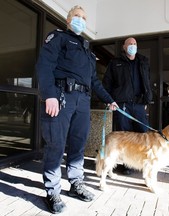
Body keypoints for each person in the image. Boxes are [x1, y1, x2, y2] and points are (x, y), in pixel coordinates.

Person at [35, 5, 118, 214]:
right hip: (62, 96)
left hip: (83, 101)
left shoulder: (88, 52)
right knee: (56, 144)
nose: (81, 19)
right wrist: (50, 95)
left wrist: (109, 100)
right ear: (68, 20)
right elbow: (44, 65)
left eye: (84, 17)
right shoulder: (59, 37)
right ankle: (53, 191)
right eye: (77, 16)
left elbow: (94, 81)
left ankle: (75, 184)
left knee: (78, 145)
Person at [102, 37, 153, 174]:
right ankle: (127, 165)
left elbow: (147, 82)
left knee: (143, 134)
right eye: (130, 43)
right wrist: (109, 100)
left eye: (135, 43)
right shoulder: (115, 63)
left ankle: (142, 163)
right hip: (121, 105)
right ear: (124, 47)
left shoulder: (143, 61)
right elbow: (107, 83)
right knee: (125, 136)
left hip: (139, 104)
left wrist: (147, 100)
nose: (132, 45)